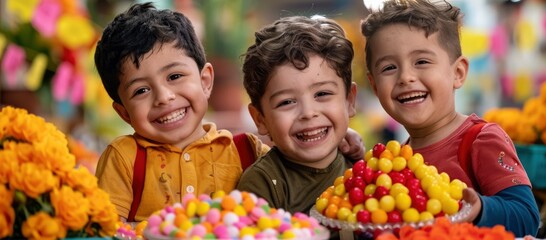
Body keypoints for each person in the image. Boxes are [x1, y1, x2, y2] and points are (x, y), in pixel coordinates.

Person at [93, 3, 365, 222]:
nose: (164, 97)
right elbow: (104, 229)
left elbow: (295, 150)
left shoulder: (243, 151)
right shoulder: (125, 159)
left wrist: (342, 133)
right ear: (124, 113)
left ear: (205, 81)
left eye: (174, 76)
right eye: (141, 91)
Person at [360, 0, 540, 237]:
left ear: (458, 73)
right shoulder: (394, 162)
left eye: (421, 61)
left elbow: (527, 217)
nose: (406, 77)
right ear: (374, 85)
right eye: (389, 68)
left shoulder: (481, 140)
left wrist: (482, 209)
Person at [237, 15, 357, 218]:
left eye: (322, 94)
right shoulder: (262, 184)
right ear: (260, 119)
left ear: (349, 101)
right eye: (286, 102)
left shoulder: (364, 168)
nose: (308, 113)